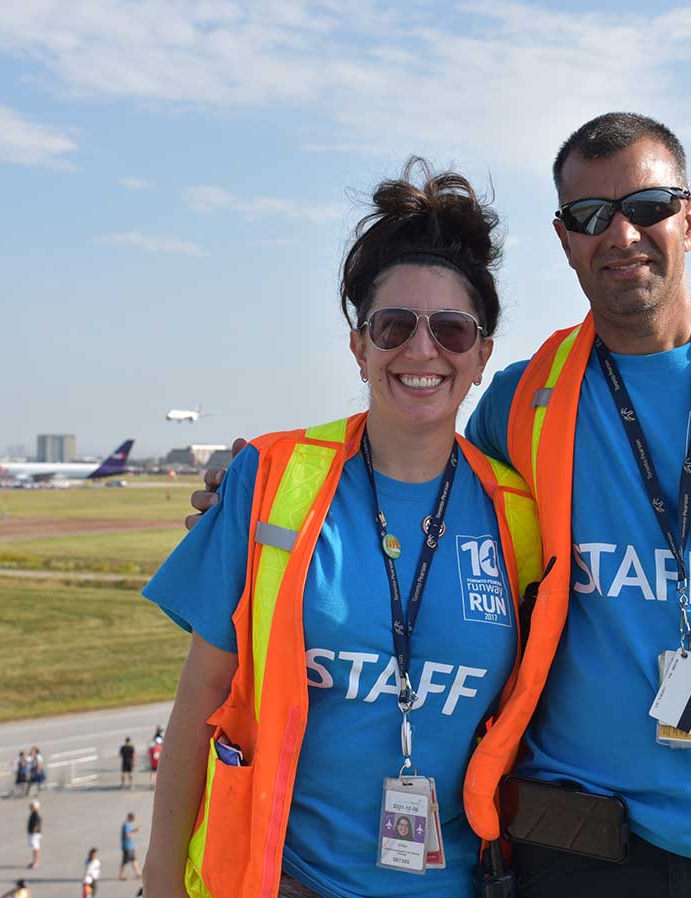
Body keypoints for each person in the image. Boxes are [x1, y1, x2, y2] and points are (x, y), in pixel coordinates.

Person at [190, 115, 691, 898]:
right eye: (591, 217)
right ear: (566, 239)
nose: (622, 233)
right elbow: (411, 458)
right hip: (577, 846)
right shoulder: (521, 404)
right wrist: (249, 489)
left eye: (648, 205)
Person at [144, 160, 541, 898]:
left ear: (482, 356)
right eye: (394, 326)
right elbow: (200, 697)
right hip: (285, 882)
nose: (423, 351)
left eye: (452, 329)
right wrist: (162, 880)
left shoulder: (520, 519)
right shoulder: (269, 480)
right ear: (360, 346)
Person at [119, 812, 142, 880]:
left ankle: (138, 874)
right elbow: (127, 835)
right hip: (127, 846)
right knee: (125, 862)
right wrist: (135, 833)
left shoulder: (128, 825)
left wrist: (134, 830)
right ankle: (121, 875)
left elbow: (129, 832)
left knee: (134, 860)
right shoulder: (126, 825)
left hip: (130, 847)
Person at [26, 800, 42, 869]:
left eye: (31, 805)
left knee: (35, 848)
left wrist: (34, 831)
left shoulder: (35, 814)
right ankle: (35, 862)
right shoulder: (33, 813)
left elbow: (37, 823)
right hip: (34, 834)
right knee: (34, 848)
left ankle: (35, 862)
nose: (30, 806)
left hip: (34, 834)